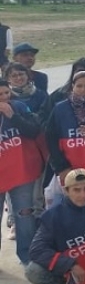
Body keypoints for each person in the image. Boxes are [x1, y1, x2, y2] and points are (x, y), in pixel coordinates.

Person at [0, 78, 43, 265]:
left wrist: (13, 117)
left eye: (6, 93)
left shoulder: (18, 107)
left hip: (20, 171)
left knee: (24, 215)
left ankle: (27, 256)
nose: (4, 98)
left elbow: (34, 130)